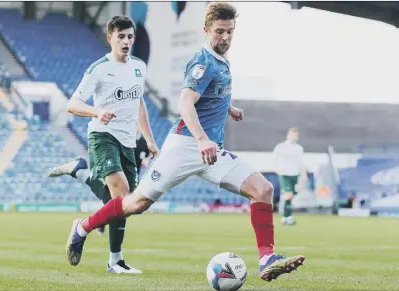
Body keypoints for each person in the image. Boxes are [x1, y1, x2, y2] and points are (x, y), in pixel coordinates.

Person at [65, 3, 305, 282]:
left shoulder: (222, 59)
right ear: (206, 30)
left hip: (211, 152)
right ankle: (82, 227)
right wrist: (202, 139)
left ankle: (266, 258)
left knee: (262, 189)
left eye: (230, 32)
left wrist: (228, 107)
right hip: (186, 146)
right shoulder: (202, 62)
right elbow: (185, 102)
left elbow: (209, 95)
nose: (225, 37)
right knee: (135, 203)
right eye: (219, 32)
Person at [52, 15, 158, 273]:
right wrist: (97, 112)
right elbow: (72, 104)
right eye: (120, 36)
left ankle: (80, 171)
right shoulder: (99, 68)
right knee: (122, 196)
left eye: (130, 36)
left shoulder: (139, 67)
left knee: (126, 204)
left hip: (127, 141)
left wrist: (150, 140)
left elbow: (140, 103)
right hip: (102, 135)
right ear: (110, 38)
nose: (126, 41)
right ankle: (106, 251)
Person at [272, 127, 307, 225]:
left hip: (295, 175)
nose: (294, 137)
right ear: (288, 135)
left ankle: (287, 215)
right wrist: (277, 170)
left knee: (291, 196)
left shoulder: (299, 148)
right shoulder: (281, 147)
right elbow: (274, 159)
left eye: (296, 135)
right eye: (292, 134)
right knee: (288, 195)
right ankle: (286, 218)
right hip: (285, 174)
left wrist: (303, 173)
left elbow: (301, 162)